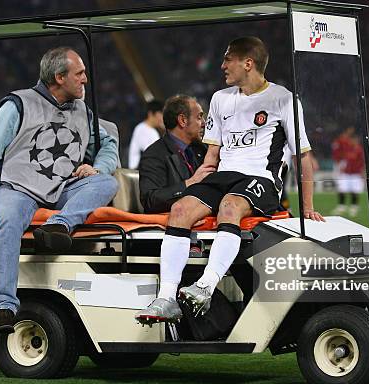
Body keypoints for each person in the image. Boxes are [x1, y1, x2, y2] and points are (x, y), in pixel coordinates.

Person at [135, 37, 324, 324]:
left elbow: (303, 156)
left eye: (228, 59)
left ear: (248, 63)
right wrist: (199, 180)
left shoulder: (283, 99)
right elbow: (212, 154)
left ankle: (205, 286)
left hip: (260, 178)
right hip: (224, 176)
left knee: (230, 206)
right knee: (180, 211)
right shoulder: (220, 99)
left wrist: (307, 206)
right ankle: (167, 298)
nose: (222, 65)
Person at [0, 47, 118, 333]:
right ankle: (4, 308)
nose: (86, 79)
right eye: (79, 73)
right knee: (7, 222)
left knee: (107, 182)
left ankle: (59, 225)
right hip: (18, 188)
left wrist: (99, 167)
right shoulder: (18, 104)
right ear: (59, 77)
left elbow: (109, 144)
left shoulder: (83, 110)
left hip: (61, 188)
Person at [139, 94, 213, 213]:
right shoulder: (154, 154)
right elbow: (150, 200)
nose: (204, 123)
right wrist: (190, 183)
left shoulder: (203, 149)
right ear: (182, 120)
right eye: (199, 117)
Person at [332, 134, 364, 217]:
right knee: (342, 189)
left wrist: (362, 172)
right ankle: (341, 206)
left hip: (355, 174)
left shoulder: (359, 150)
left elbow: (362, 162)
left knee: (355, 191)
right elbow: (339, 142)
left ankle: (354, 207)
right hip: (345, 173)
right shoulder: (346, 148)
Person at [128, 100, 164, 169]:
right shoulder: (143, 129)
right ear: (151, 114)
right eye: (160, 114)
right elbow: (154, 156)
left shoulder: (150, 130)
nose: (161, 118)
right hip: (139, 173)